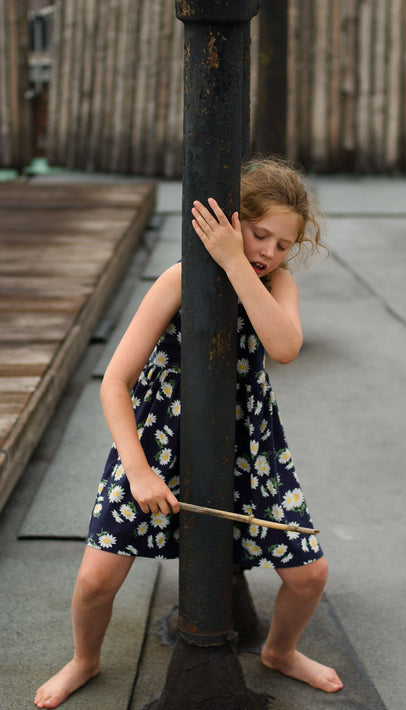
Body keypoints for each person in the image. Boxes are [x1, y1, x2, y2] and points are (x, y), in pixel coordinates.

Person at [34, 158, 343, 709]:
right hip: (156, 436)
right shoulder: (181, 278)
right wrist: (137, 468)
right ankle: (85, 660)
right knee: (96, 580)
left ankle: (280, 652)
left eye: (283, 243)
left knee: (309, 574)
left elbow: (285, 347)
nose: (269, 251)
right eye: (259, 233)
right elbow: (115, 381)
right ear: (232, 220)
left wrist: (237, 261)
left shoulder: (277, 283)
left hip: (248, 443)